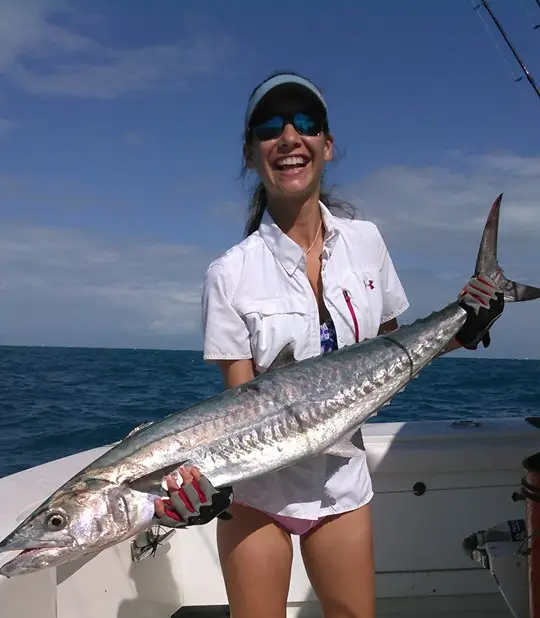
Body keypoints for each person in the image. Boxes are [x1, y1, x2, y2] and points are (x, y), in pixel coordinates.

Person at [154, 71, 505, 618]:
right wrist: (211, 483)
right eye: (270, 126)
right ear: (250, 154)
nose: (289, 136)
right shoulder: (229, 273)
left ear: (327, 144)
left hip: (342, 487)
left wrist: (465, 325)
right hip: (257, 499)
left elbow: (394, 351)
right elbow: (239, 407)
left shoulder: (367, 242)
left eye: (306, 123)